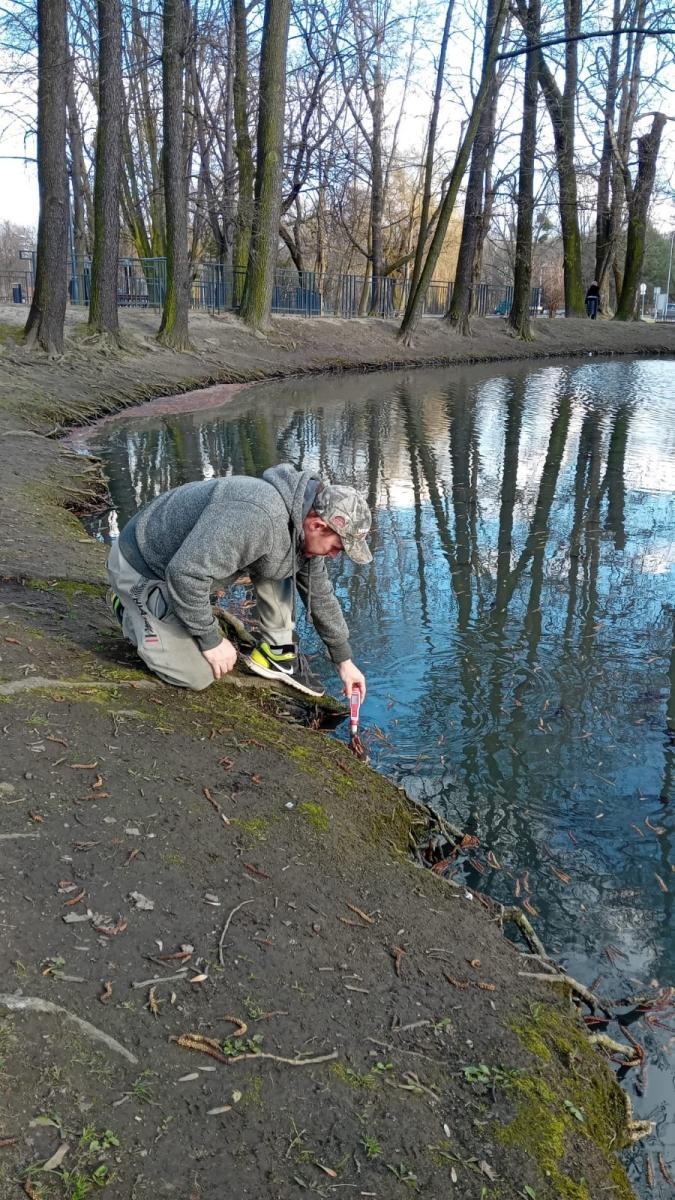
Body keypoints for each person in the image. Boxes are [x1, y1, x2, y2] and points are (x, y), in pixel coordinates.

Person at [106, 463, 371, 700]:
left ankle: (277, 652)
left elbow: (321, 595)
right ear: (317, 525)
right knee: (197, 674)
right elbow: (184, 574)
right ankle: (129, 605)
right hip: (142, 566)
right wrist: (210, 640)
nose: (335, 555)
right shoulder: (258, 517)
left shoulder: (301, 526)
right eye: (337, 547)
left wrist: (344, 660)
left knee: (281, 564)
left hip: (184, 565)